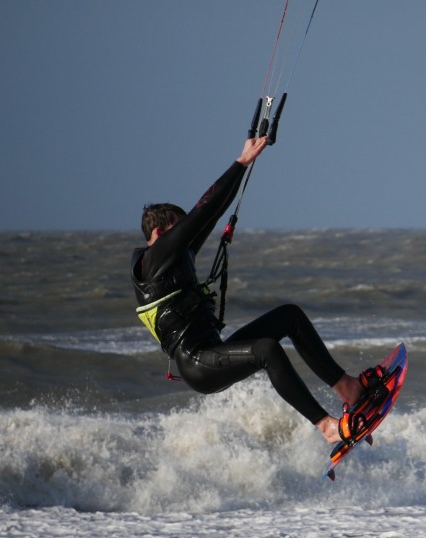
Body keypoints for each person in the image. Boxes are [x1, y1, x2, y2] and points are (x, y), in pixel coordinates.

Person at [130, 137, 369, 444]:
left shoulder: (172, 262)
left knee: (289, 316)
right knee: (267, 349)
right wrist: (241, 162)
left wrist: (244, 170)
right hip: (198, 364)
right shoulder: (153, 260)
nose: (187, 234)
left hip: (213, 351)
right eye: (180, 228)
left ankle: (347, 387)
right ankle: (326, 426)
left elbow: (211, 214)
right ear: (161, 234)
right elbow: (205, 210)